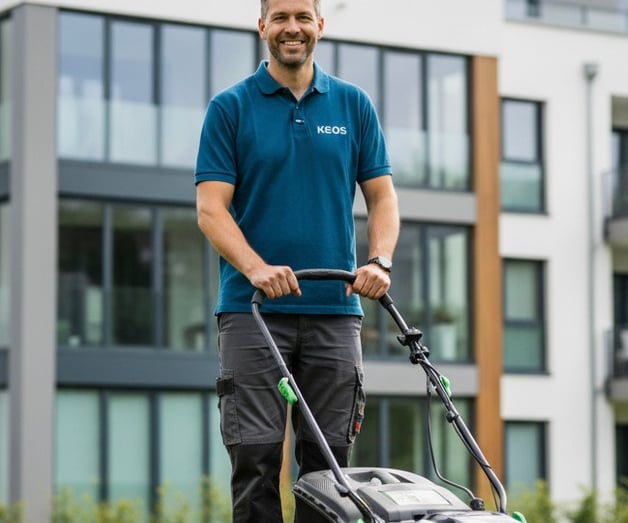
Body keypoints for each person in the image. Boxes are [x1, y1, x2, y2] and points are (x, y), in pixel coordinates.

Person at [194, 0, 400, 521]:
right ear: (262, 26)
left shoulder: (354, 105)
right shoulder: (231, 108)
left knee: (330, 471)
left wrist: (379, 261)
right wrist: (256, 267)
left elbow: (382, 198)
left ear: (320, 26)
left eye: (303, 17)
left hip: (335, 310)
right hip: (251, 312)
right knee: (256, 458)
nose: (293, 28)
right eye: (281, 17)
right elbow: (210, 208)